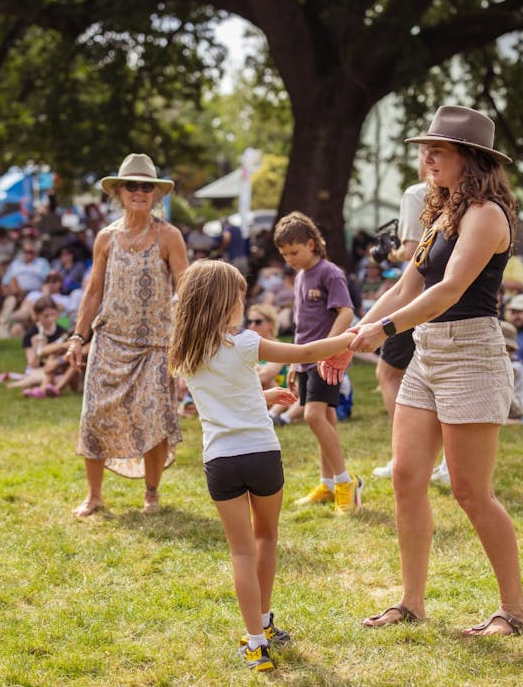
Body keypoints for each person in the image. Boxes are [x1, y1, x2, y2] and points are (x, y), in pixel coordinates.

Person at [324, 105, 523, 636]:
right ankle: (411, 602)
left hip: (473, 356)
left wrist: (383, 330)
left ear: (471, 158)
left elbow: (449, 290)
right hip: (429, 352)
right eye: (425, 149)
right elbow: (405, 287)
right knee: (405, 476)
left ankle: (515, 611)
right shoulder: (440, 215)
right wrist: (352, 339)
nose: (427, 157)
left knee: (469, 491)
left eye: (438, 150)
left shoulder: (486, 214)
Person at [168, 260, 357, 672]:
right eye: (239, 296)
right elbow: (305, 353)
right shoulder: (247, 343)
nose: (243, 303)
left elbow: (226, 393)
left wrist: (266, 394)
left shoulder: (185, 353)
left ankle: (256, 642)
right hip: (262, 455)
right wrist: (348, 338)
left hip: (220, 461)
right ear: (225, 303)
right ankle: (266, 624)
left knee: (240, 551)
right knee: (265, 538)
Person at [67, 153, 189, 517]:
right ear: (119, 192)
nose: (139, 192)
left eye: (146, 187)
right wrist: (77, 336)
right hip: (109, 342)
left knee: (154, 420)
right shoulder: (106, 237)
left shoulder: (169, 236)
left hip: (155, 345)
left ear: (155, 194)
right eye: (132, 186)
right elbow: (93, 290)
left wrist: (188, 335)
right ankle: (94, 495)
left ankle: (151, 493)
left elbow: (184, 287)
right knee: (94, 417)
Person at [272, 211, 361, 514]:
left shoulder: (329, 272)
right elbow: (300, 327)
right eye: (284, 254)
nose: (289, 259)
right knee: (327, 422)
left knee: (312, 417)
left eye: (294, 252)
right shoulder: (299, 277)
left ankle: (347, 482)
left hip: (326, 362)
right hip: (306, 362)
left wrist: (329, 349)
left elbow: (346, 312)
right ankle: (329, 483)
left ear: (311, 244)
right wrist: (296, 365)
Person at [373, 156, 450, 484]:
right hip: (445, 300)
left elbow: (409, 252)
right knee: (441, 380)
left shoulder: (416, 193)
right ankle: (445, 463)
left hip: (421, 297)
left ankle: (404, 455)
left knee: (388, 373)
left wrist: (386, 254)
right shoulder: (471, 205)